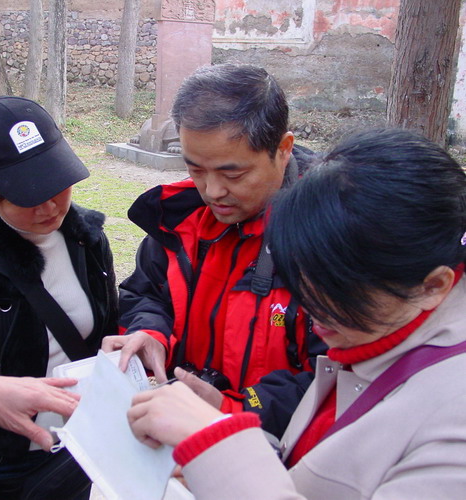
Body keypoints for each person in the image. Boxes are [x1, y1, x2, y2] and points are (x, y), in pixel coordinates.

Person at [127, 128, 466, 499]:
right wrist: (218, 467)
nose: (309, 308)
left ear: (433, 286)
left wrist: (218, 446)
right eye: (300, 283)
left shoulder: (453, 422)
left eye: (336, 292)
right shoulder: (372, 344)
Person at [102, 63, 326, 438]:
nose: (212, 191)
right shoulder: (181, 220)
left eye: (232, 174)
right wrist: (150, 334)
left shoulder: (331, 237)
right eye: (195, 169)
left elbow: (343, 374)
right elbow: (145, 293)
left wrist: (233, 409)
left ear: (283, 149)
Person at [0, 96, 118, 500]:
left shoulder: (87, 237)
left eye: (56, 184)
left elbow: (108, 324)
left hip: (84, 442)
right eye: (29, 195)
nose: (50, 206)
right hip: (7, 460)